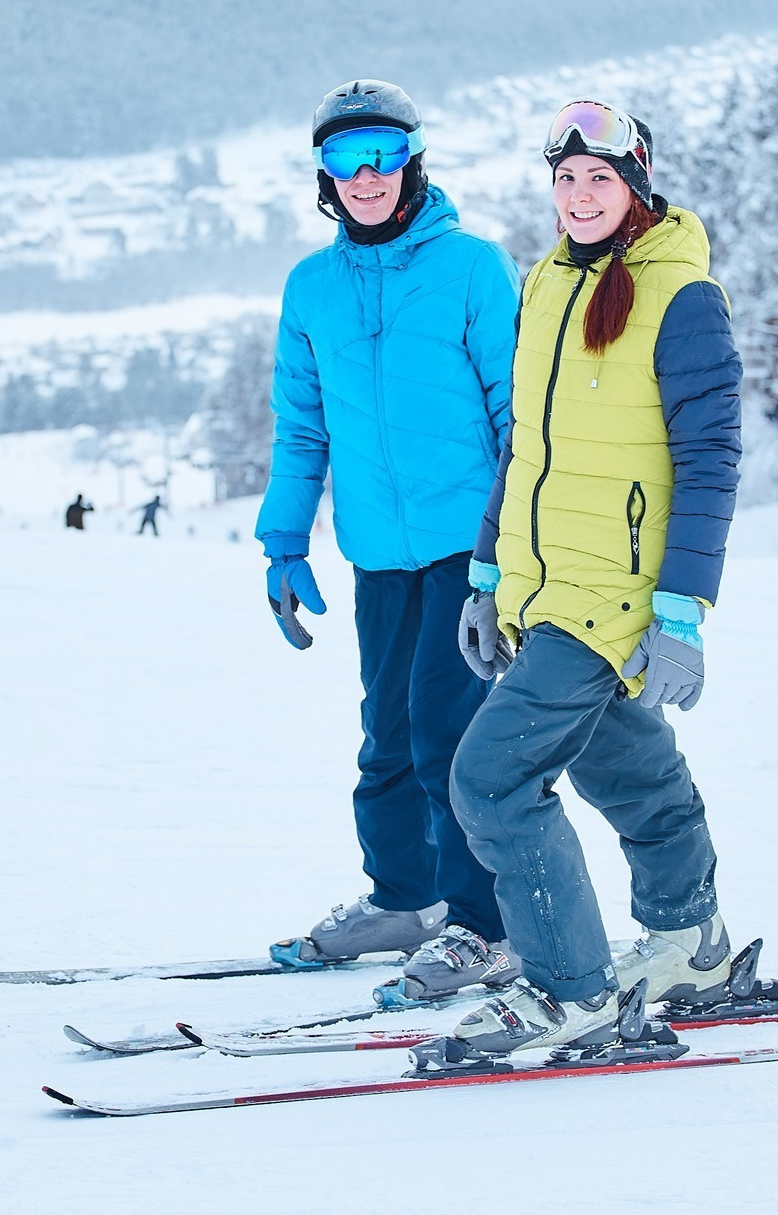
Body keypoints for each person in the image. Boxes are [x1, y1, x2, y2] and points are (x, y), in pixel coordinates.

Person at [442, 99, 743, 1058]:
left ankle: (572, 991)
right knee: (625, 763)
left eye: (599, 178)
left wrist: (683, 609)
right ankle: (691, 942)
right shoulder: (546, 282)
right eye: (565, 178)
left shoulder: (681, 295)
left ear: (636, 185)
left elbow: (710, 459)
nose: (578, 195)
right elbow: (527, 443)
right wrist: (490, 570)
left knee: (492, 782)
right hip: (546, 586)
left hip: (612, 592)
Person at [258, 78, 524, 1003]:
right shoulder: (312, 288)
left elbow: (520, 418)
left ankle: (482, 924)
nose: (364, 175)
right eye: (344, 157)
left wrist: (511, 551)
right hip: (376, 552)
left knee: (450, 732)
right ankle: (405, 899)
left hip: (469, 546)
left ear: (413, 162)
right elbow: (302, 429)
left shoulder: (473, 268)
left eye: (382, 154)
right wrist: (284, 542)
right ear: (324, 176)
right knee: (387, 734)